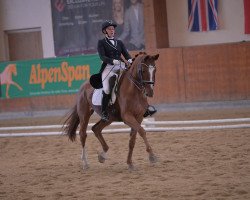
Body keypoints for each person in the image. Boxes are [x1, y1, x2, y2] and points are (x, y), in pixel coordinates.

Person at [97, 20, 156, 121]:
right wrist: (112, 61)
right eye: (109, 29)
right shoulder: (101, 43)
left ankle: (145, 108)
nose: (112, 30)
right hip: (108, 67)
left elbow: (125, 53)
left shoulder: (119, 42)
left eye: (113, 29)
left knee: (135, 80)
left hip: (120, 66)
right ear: (104, 31)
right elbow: (102, 57)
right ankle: (104, 112)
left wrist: (129, 59)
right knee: (107, 88)